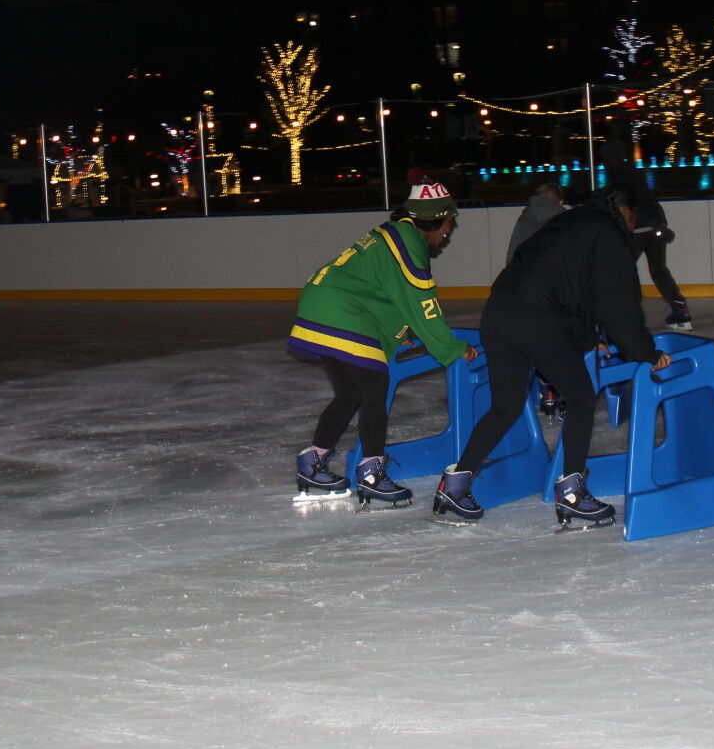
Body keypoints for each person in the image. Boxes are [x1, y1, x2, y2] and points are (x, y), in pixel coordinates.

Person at [432, 182, 671, 530]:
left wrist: (587, 339)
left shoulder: (570, 223)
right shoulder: (607, 233)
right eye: (634, 220)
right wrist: (646, 353)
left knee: (506, 405)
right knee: (581, 398)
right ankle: (572, 494)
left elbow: (569, 289)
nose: (633, 228)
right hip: (535, 316)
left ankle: (454, 485)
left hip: (499, 310)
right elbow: (616, 303)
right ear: (625, 211)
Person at [287, 169, 478, 508]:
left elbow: (383, 292)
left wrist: (398, 332)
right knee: (374, 388)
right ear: (434, 220)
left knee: (349, 394)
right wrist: (451, 349)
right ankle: (372, 473)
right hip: (340, 311)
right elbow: (423, 305)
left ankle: (312, 462)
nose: (450, 231)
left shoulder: (395, 234)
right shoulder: (410, 244)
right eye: (449, 222)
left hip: (322, 302)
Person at [609, 162, 691, 331]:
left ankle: (625, 313)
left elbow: (623, 207)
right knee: (659, 270)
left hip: (636, 231)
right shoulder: (636, 176)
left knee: (622, 270)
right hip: (656, 230)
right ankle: (680, 308)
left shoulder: (619, 180)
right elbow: (651, 203)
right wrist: (660, 225)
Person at [505, 179, 566, 262]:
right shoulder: (564, 220)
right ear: (560, 202)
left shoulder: (524, 219)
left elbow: (513, 253)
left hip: (528, 271)